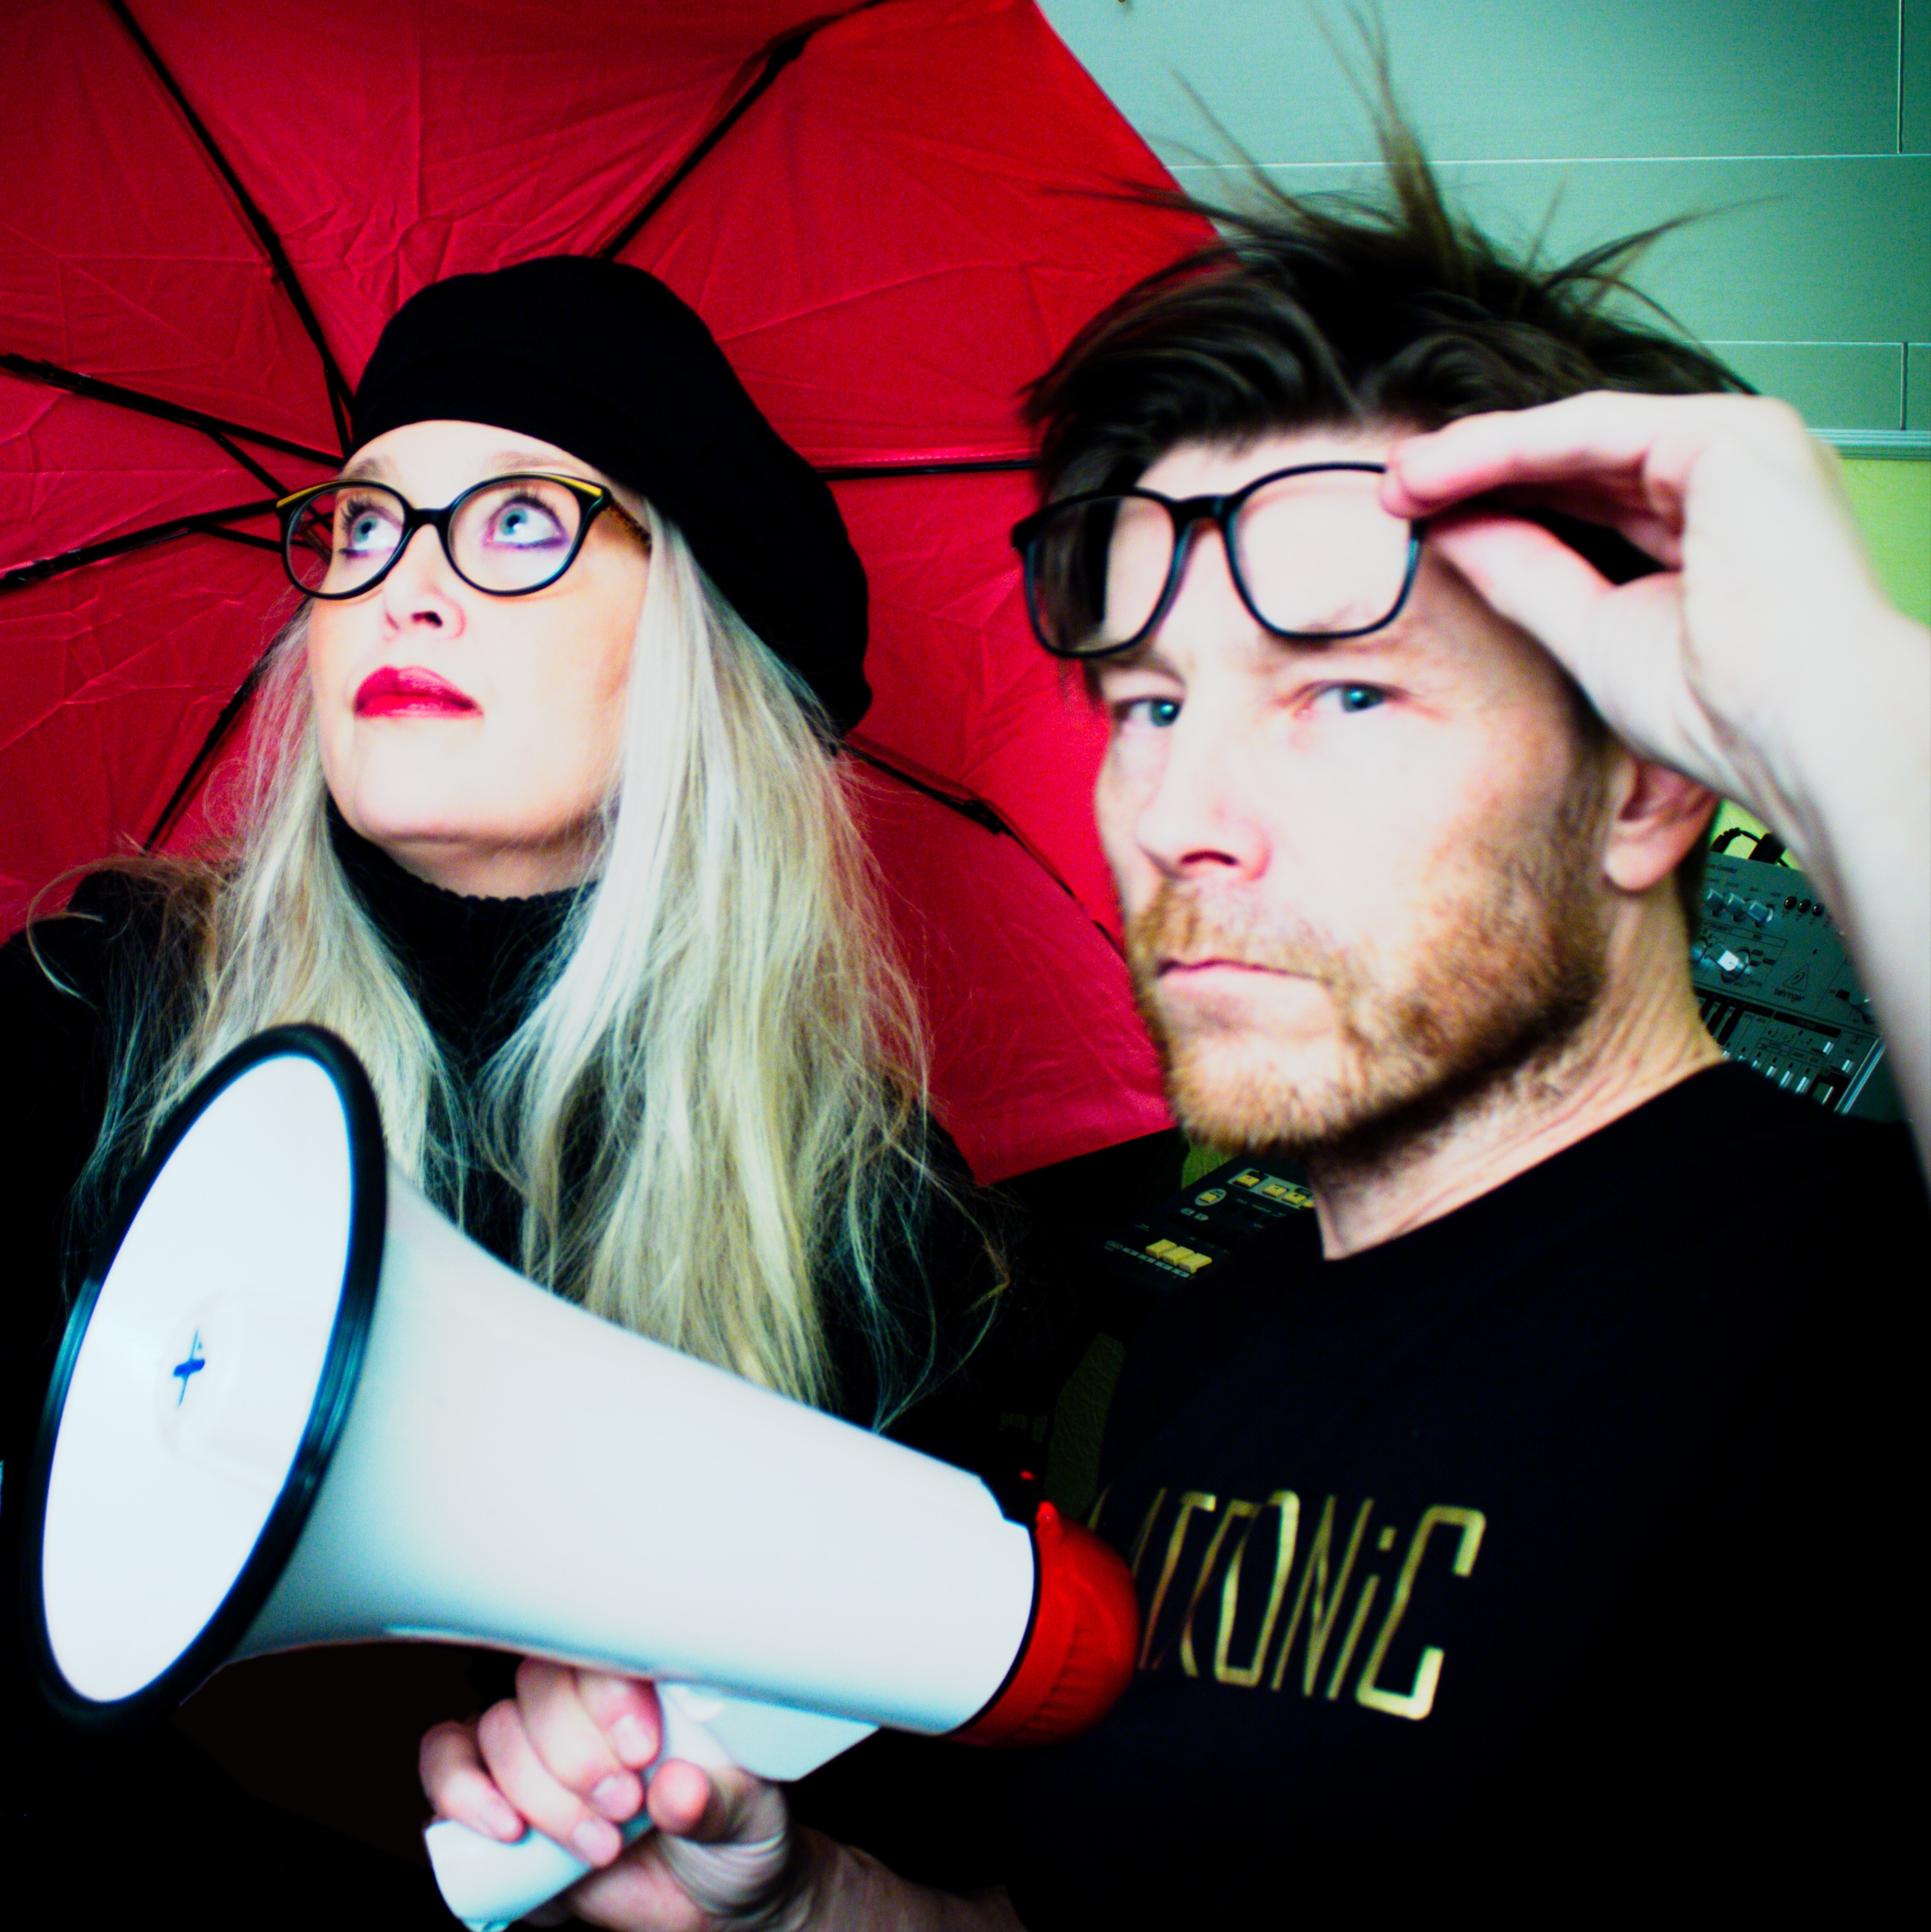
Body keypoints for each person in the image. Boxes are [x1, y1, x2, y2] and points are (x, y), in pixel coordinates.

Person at [430, 122, 1931, 1928]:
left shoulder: (1852, 1303)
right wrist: (803, 1904)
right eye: (1148, 705)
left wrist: (1846, 712)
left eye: (1344, 692)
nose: (1180, 814)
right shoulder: (1202, 1352)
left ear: (1645, 782)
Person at [0, 256, 997, 1926]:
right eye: (363, 522)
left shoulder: (879, 1214)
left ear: (698, 646)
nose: (404, 587)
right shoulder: (97, 1007)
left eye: (520, 521)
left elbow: (919, 1824)